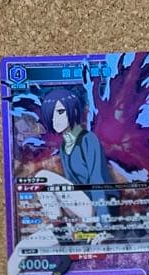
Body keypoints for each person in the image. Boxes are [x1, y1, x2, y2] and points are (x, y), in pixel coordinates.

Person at [40, 87, 109, 217]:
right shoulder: (64, 147)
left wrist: (103, 221)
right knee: (42, 180)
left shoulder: (88, 139)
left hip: (97, 206)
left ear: (75, 110)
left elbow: (97, 179)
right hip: (80, 206)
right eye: (51, 115)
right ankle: (58, 223)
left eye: (60, 112)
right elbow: (71, 184)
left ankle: (58, 223)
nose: (55, 120)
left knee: (43, 176)